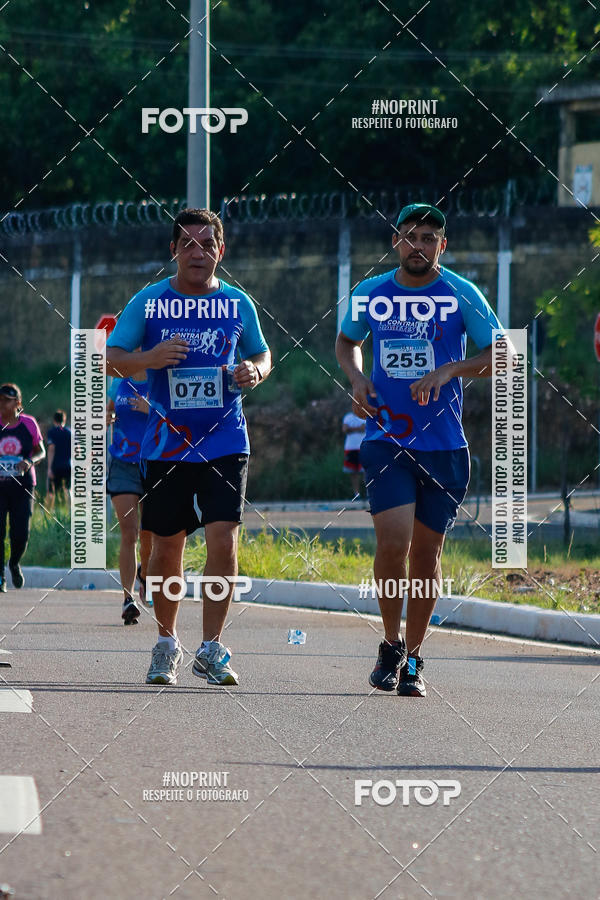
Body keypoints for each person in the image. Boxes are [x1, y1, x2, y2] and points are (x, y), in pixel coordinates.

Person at [335, 203, 505, 698]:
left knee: (428, 554)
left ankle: (413, 657)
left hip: (445, 444)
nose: (419, 245)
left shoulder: (460, 293)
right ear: (396, 242)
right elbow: (347, 341)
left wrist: (451, 369)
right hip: (387, 438)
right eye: (410, 236)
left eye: (429, 237)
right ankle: (390, 644)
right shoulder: (371, 292)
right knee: (393, 543)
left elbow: (502, 352)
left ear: (441, 245)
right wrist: (357, 378)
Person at [106, 207, 271, 686]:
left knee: (224, 539)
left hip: (225, 438)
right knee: (166, 550)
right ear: (173, 250)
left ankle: (213, 647)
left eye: (207, 243)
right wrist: (150, 358)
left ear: (222, 250)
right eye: (188, 244)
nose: (198, 252)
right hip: (165, 444)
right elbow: (111, 359)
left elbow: (261, 353)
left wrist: (255, 370)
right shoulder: (150, 302)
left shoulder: (238, 303)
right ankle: (166, 642)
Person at [106, 370, 153, 624]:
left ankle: (144, 574)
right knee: (129, 532)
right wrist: (107, 416)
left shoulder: (160, 377)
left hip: (154, 461)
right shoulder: (119, 382)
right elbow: (109, 410)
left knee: (151, 533)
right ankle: (128, 598)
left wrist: (151, 410)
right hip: (123, 464)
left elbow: (176, 418)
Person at [0, 383, 45, 591]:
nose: (1, 404)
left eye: (5, 400)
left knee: (20, 534)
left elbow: (40, 451)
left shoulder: (28, 424)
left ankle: (14, 563)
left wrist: (29, 461)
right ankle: (0, 576)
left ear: (17, 403)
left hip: (23, 487)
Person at [45, 410, 71, 509]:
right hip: (69, 465)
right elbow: (77, 450)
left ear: (54, 420)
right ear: (64, 420)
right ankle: (70, 513)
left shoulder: (52, 432)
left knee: (51, 491)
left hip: (56, 466)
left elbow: (51, 449)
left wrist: (49, 468)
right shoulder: (70, 432)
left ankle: (47, 514)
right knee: (68, 490)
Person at [342, 410, 366, 498]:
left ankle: (368, 493)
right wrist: (358, 428)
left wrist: (351, 428)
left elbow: (364, 428)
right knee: (353, 472)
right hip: (350, 448)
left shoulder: (364, 415)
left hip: (363, 447)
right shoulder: (347, 417)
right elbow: (344, 429)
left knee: (365, 471)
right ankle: (356, 494)